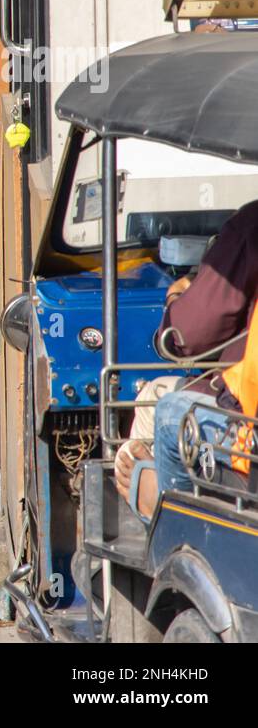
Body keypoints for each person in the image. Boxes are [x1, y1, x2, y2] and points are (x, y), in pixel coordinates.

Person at [116, 202, 258, 519]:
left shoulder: (251, 226)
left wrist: (175, 298)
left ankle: (164, 518)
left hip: (248, 435)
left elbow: (185, 336)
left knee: (163, 408)